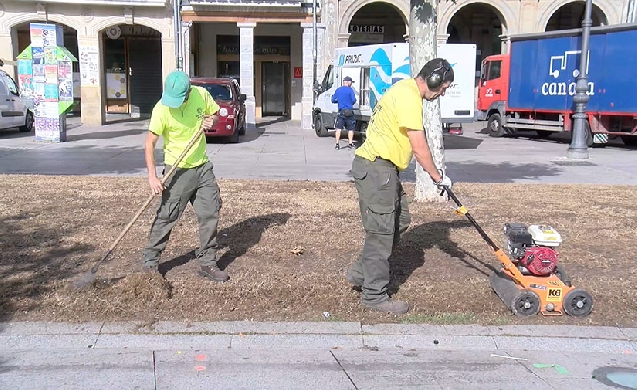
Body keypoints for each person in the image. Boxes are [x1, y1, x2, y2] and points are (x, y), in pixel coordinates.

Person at [346, 58, 455, 314]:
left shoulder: (405, 90)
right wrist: (438, 177)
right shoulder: (409, 97)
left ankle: (360, 272)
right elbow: (419, 146)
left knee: (400, 220)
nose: (443, 92)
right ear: (434, 79)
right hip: (377, 169)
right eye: (444, 87)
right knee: (382, 234)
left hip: (384, 170)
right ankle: (374, 296)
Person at [141, 70, 229, 282]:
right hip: (177, 170)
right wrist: (152, 177)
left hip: (202, 168)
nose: (174, 104)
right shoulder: (161, 109)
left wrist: (211, 120)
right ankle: (150, 264)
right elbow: (149, 143)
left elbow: (215, 115)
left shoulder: (201, 95)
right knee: (167, 216)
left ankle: (207, 262)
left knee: (210, 214)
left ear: (188, 93)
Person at [331, 76, 357, 150]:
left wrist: (339, 101)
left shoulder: (338, 90)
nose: (351, 83)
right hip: (349, 112)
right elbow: (353, 100)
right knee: (350, 129)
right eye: (351, 82)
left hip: (341, 112)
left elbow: (333, 100)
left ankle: (337, 144)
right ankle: (350, 143)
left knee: (338, 128)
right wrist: (349, 102)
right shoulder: (350, 90)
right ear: (348, 82)